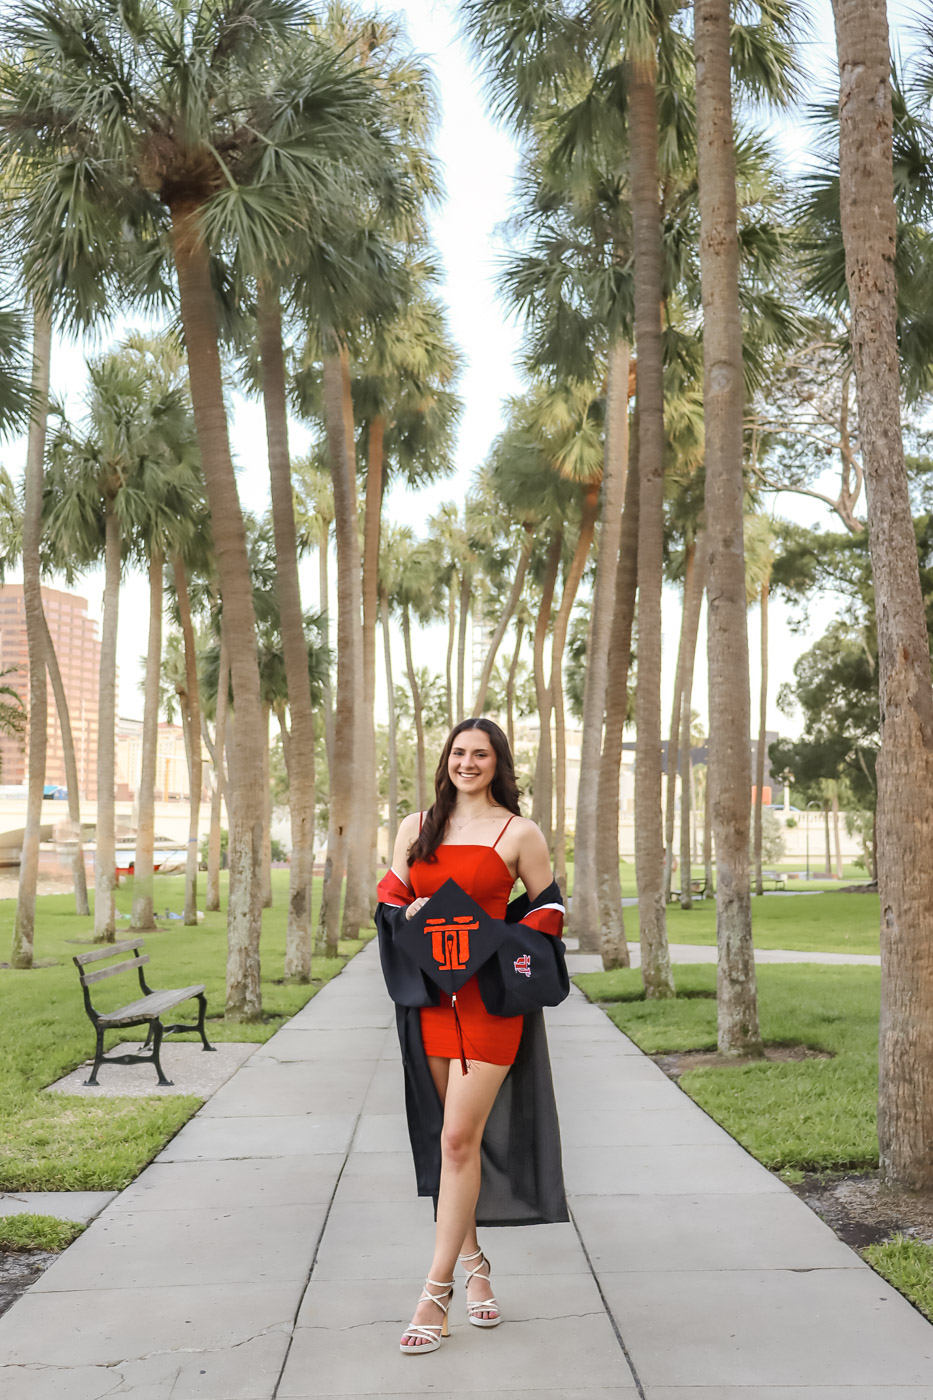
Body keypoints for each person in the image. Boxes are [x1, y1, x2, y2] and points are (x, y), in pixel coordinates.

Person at [376, 716, 565, 1355]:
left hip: (488, 1005)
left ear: (497, 763)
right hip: (430, 1000)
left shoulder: (520, 832)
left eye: (480, 754)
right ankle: (476, 1264)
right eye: (458, 752)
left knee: (459, 1137)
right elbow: (388, 900)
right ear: (446, 760)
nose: (467, 763)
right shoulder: (415, 828)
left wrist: (499, 938)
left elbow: (549, 911)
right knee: (450, 1145)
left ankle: (435, 1293)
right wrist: (412, 913)